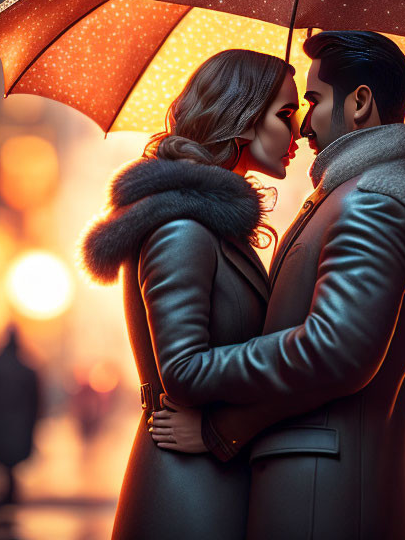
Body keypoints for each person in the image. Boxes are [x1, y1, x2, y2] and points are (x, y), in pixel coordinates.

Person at [150, 31, 405, 540]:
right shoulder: (349, 198)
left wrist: (220, 428)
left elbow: (334, 351)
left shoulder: (371, 205)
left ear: (360, 103)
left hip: (321, 493)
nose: (302, 125)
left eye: (314, 102)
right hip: (317, 487)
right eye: (291, 110)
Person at [81, 48, 300, 540]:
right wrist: (302, 346)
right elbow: (182, 372)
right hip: (187, 491)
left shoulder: (213, 227)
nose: (299, 134)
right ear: (240, 117)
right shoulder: (183, 229)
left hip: (212, 475)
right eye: (285, 114)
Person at [0, 325, 42, 506]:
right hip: (18, 422)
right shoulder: (26, 368)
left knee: (2, 457)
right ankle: (9, 490)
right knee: (10, 459)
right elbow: (36, 399)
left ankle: (6, 491)